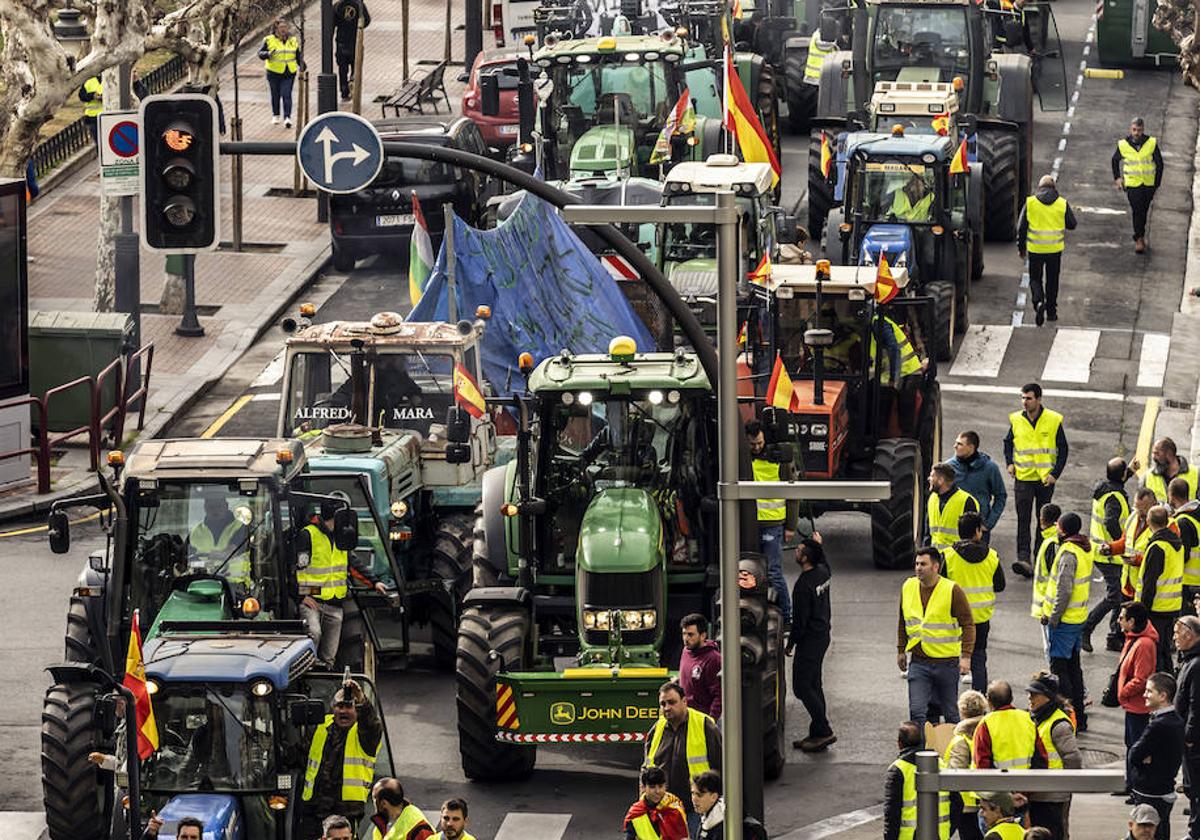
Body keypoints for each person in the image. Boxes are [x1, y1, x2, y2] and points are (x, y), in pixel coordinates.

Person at [297, 498, 389, 668]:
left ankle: (326, 680)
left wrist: (375, 582)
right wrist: (301, 596)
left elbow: (353, 562)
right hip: (313, 600)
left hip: (335, 604)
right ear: (332, 519)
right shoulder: (308, 535)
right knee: (314, 634)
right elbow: (295, 568)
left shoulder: (341, 538)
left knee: (329, 655)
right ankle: (306, 671)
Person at [898, 546, 975, 736]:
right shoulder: (908, 586)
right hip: (919, 662)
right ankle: (923, 754)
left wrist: (966, 657)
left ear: (935, 567)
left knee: (950, 714)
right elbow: (902, 619)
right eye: (916, 564)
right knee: (917, 712)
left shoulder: (952, 590)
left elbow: (968, 624)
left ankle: (956, 754)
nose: (918, 568)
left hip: (946, 664)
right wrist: (901, 649)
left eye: (923, 564)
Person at [300, 679, 384, 838]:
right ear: (333, 708)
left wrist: (361, 699)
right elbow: (303, 754)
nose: (344, 711)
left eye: (349, 706)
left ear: (357, 709)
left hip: (346, 812)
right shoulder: (321, 727)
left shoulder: (365, 735)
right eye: (340, 706)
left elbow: (371, 724)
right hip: (315, 810)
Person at [1006, 383, 1067, 578]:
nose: (1025, 402)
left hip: (1044, 480)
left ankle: (1040, 556)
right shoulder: (1016, 419)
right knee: (1023, 520)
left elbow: (1063, 449)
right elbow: (1008, 442)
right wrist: (1009, 463)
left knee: (1045, 522)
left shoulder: (1053, 420)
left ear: (1039, 400)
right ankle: (1024, 558)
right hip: (1023, 478)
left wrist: (1055, 474)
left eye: (1029, 398)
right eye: (1022, 398)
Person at [644, 681, 722, 824]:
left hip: (695, 810)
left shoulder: (704, 725)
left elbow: (721, 766)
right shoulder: (658, 728)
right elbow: (646, 769)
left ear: (684, 701)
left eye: (672, 702)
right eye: (663, 704)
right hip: (664, 809)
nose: (667, 708)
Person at [943, 511, 1005, 691]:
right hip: (981, 618)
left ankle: (950, 700)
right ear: (977, 531)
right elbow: (1000, 585)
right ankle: (979, 701)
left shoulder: (948, 556)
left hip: (955, 619)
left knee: (953, 659)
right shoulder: (992, 556)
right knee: (979, 658)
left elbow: (941, 585)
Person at [1041, 512, 1092, 731]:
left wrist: (1053, 618)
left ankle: (1069, 717)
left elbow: (1064, 589)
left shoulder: (1068, 553)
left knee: (1061, 671)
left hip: (1064, 622)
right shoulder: (1083, 548)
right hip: (1077, 618)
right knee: (1074, 669)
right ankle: (1079, 717)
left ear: (1062, 529)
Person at [746, 420, 799, 623]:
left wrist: (791, 526)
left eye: (760, 443)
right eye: (753, 444)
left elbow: (793, 492)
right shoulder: (742, 459)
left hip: (772, 523)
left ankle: (787, 616)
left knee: (774, 572)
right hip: (750, 523)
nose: (757, 447)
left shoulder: (779, 458)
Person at [787, 535, 835, 751]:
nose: (795, 552)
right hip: (823, 635)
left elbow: (800, 621)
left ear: (806, 558)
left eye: (798, 550)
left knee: (801, 687)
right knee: (815, 684)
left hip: (809, 641)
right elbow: (824, 560)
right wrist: (819, 545)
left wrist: (790, 644)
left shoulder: (802, 586)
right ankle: (816, 732)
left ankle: (824, 729)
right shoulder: (823, 573)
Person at [1084, 458, 1135, 652]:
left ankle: (1115, 636)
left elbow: (1118, 480)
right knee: (1115, 596)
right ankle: (1087, 628)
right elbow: (1111, 522)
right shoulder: (1114, 497)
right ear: (1121, 475)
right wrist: (1120, 545)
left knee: (1120, 594)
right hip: (1109, 555)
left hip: (1104, 552)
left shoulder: (1105, 488)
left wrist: (1129, 470)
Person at [1017, 175, 1077, 326]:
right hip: (1054, 250)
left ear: (1039, 188)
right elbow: (1072, 224)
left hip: (1035, 250)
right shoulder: (1062, 204)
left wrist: (1021, 247)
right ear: (1054, 188)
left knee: (1035, 279)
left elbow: (1021, 227)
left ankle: (1038, 301)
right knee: (1052, 281)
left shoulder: (1030, 203)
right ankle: (1051, 312)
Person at [1027, 674, 1082, 839]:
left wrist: (1064, 787)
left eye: (1034, 694)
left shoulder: (1059, 725)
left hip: (1053, 796)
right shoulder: (1036, 718)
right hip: (1037, 792)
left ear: (1047, 697)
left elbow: (1074, 760)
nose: (1030, 698)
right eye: (1029, 693)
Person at [1130, 672, 1184, 839]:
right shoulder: (1175, 720)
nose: (1145, 694)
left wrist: (1145, 761)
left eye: (1149, 691)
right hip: (1164, 787)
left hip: (1150, 789)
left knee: (1147, 833)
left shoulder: (1159, 725)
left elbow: (1134, 755)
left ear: (1162, 696)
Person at [1117, 601, 1161, 797]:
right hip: (1133, 705)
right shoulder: (1134, 638)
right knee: (1131, 745)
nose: (1118, 620)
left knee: (1137, 747)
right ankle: (1131, 784)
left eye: (1122, 617)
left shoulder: (1143, 644)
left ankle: (1137, 787)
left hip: (1138, 706)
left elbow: (1142, 678)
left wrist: (1123, 692)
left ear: (1132, 621)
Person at [884, 721, 951, 840]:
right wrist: (947, 830)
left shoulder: (898, 769)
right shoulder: (941, 765)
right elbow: (957, 802)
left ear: (899, 744)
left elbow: (892, 813)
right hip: (941, 835)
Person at [1137, 505, 1184, 669]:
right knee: (1164, 650)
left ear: (1149, 521)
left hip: (1156, 607)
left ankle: (1162, 686)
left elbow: (1149, 584)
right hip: (1172, 606)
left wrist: (1142, 610)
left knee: (1155, 653)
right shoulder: (1177, 544)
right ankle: (1169, 683)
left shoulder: (1157, 547)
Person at [1112, 117, 1163, 253]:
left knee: (1144, 210)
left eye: (1139, 130)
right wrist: (1117, 178)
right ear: (1131, 129)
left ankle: (1140, 234)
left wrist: (1156, 183)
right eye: (1134, 130)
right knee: (1137, 210)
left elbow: (1160, 164)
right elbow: (1115, 160)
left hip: (1148, 184)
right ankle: (1139, 238)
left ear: (1143, 130)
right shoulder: (1123, 144)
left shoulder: (1151, 143)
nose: (1136, 133)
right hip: (1133, 184)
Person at [943, 690, 989, 840]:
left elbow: (955, 772)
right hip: (988, 798)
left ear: (962, 711)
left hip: (967, 804)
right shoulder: (989, 730)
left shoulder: (961, 740)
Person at [948, 431, 1007, 546]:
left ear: (971, 447)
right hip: (955, 528)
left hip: (979, 530)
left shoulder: (990, 468)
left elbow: (1001, 496)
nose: (955, 446)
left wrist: (989, 523)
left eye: (959, 444)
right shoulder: (949, 468)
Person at [1172, 615, 1200, 840]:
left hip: (1194, 740)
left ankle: (1195, 831)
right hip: (1188, 737)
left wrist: (1189, 736)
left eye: (1176, 633)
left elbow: (1195, 704)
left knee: (1195, 786)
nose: (1174, 638)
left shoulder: (1196, 664)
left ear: (1189, 635)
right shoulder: (1189, 659)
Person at [973, 681, 1036, 771]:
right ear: (1011, 698)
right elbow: (1040, 756)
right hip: (1026, 781)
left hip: (997, 783)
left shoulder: (986, 724)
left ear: (988, 701)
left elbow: (981, 762)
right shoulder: (1027, 719)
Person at [624, 765, 689, 840]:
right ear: (643, 787)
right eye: (652, 787)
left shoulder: (675, 808)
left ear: (665, 786)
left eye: (661, 786)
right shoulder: (635, 813)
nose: (657, 791)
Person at [1031, 504, 1062, 659]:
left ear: (1042, 520)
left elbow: (1054, 578)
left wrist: (1048, 610)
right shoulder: (1055, 541)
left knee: (1050, 647)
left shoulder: (1050, 543)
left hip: (1048, 606)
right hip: (1053, 605)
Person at [259, 19, 303, 127]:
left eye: (285, 27)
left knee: (286, 94)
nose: (283, 29)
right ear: (276, 29)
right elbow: (260, 54)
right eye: (281, 27)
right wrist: (268, 53)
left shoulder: (293, 40)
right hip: (273, 72)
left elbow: (297, 55)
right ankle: (276, 115)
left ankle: (287, 117)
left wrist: (302, 65)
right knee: (275, 95)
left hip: (289, 72)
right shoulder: (269, 40)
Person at [678, 614, 721, 720]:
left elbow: (719, 695)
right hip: (685, 716)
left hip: (702, 719)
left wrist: (710, 721)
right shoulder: (685, 652)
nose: (686, 638)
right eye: (684, 634)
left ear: (703, 635)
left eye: (690, 634)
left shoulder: (713, 659)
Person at [927, 463, 979, 549]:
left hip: (956, 559)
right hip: (935, 559)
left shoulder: (966, 501)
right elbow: (928, 533)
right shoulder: (932, 499)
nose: (929, 479)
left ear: (941, 480)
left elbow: (973, 538)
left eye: (932, 476)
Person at [1171, 477, 1200, 616]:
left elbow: (1184, 555)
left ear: (1171, 496)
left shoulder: (1182, 522)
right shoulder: (1196, 515)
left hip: (1189, 583)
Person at [369, 778, 435, 840]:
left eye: (374, 799)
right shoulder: (382, 822)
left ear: (384, 803)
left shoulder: (417, 827)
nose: (373, 803)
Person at [1139, 437, 1199, 502]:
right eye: (1153, 453)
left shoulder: (1196, 473)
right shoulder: (1147, 477)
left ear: (1169, 454)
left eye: (1157, 454)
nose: (1154, 457)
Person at [333, 0, 371, 101]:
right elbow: (367, 20)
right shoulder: (359, 5)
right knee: (356, 66)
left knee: (342, 69)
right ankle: (353, 81)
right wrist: (358, 26)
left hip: (341, 42)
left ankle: (344, 91)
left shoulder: (338, 6)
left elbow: (332, 24)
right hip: (355, 42)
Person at [690, 770, 724, 840]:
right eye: (693, 793)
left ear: (714, 797)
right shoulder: (706, 817)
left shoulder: (722, 828)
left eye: (699, 795)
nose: (694, 799)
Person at [79, 76, 104, 141]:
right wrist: (92, 95)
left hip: (107, 116)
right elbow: (82, 96)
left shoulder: (110, 78)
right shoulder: (89, 81)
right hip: (92, 118)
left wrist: (103, 97)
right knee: (98, 141)